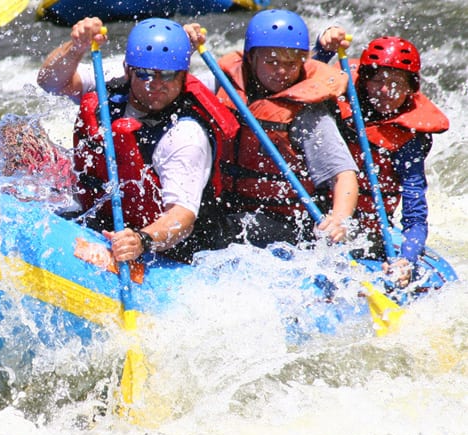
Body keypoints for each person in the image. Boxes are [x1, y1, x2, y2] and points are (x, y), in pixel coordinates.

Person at [37, 17, 239, 263]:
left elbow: (182, 216)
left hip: (173, 251)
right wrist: (76, 47)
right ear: (128, 70)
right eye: (144, 74)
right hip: (107, 221)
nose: (155, 84)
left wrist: (141, 240)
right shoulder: (109, 87)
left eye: (167, 75)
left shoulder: (186, 135)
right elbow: (49, 82)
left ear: (183, 75)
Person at [184, 9, 359, 248]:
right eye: (271, 61)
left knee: (223, 230)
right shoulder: (223, 82)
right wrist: (184, 52)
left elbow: (343, 176)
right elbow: (173, 90)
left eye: (290, 64)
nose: (280, 71)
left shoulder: (308, 113)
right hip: (226, 203)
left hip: (285, 221)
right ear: (251, 58)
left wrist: (339, 220)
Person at [314, 30, 450, 286]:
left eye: (397, 83)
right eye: (377, 80)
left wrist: (406, 259)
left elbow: (415, 216)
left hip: (369, 232)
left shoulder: (408, 141)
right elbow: (304, 86)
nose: (386, 91)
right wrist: (323, 49)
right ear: (364, 80)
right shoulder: (338, 106)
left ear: (411, 88)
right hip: (322, 221)